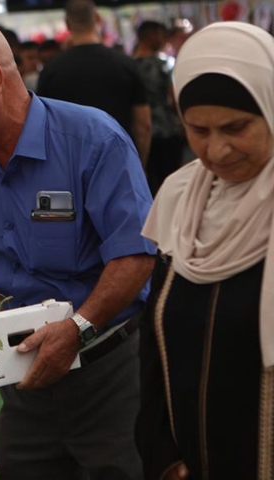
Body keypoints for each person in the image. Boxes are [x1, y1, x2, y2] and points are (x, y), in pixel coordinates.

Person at [0, 17, 156, 479]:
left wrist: (79, 328)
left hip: (106, 374)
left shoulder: (92, 140)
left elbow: (136, 254)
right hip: (20, 381)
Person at [137, 22, 274, 480]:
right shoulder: (179, 198)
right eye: (198, 130)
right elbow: (154, 343)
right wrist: (163, 454)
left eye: (236, 127)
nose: (216, 149)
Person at [38, 0, 152, 166]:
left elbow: (44, 127)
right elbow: (144, 124)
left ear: (67, 23)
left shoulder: (51, 70)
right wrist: (138, 165)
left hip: (73, 163)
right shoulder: (126, 65)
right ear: (98, 18)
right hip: (120, 160)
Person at [133, 21, 184, 196]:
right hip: (168, 130)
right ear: (151, 36)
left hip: (139, 133)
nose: (164, 39)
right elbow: (175, 98)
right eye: (161, 34)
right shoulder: (165, 64)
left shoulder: (129, 66)